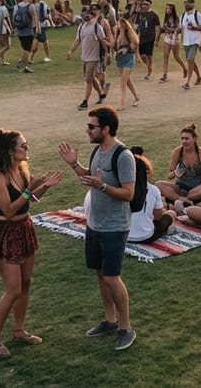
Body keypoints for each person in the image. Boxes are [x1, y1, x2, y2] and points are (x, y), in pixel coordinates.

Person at [58, 106, 138, 351]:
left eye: (91, 126)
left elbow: (128, 194)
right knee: (100, 274)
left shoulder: (123, 156)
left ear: (106, 128)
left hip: (114, 227)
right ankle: (110, 321)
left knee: (112, 277)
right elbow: (90, 179)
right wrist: (75, 165)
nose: (87, 130)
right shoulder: (96, 151)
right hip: (94, 224)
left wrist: (102, 186)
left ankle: (126, 328)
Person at [0, 129, 65, 359]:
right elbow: (9, 210)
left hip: (24, 228)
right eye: (23, 146)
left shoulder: (20, 170)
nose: (27, 149)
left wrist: (45, 186)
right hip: (6, 232)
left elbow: (28, 201)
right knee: (13, 290)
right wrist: (30, 190)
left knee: (26, 283)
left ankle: (19, 331)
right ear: (11, 152)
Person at [155, 124, 201, 207]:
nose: (184, 141)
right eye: (182, 138)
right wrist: (172, 173)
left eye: (187, 138)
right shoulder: (177, 152)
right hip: (180, 187)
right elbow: (171, 173)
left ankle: (180, 200)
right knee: (158, 184)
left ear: (195, 139)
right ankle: (182, 199)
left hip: (197, 188)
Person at [128, 150, 175, 244]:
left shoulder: (120, 190)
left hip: (123, 236)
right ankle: (168, 229)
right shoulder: (152, 190)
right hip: (146, 236)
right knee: (171, 214)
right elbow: (157, 217)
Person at [65, 6, 107, 110]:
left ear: (93, 16)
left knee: (88, 80)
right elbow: (77, 40)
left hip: (94, 58)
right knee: (90, 79)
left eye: (88, 14)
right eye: (85, 14)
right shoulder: (81, 27)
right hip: (84, 57)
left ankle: (85, 102)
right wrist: (70, 51)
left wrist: (107, 55)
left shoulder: (97, 28)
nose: (86, 16)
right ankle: (101, 93)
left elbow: (104, 42)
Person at [112, 14, 141, 110]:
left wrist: (136, 55)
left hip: (128, 58)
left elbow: (136, 42)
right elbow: (114, 45)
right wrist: (115, 33)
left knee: (123, 82)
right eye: (120, 23)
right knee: (127, 81)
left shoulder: (129, 32)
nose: (121, 25)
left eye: (123, 23)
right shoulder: (118, 32)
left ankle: (122, 104)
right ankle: (137, 97)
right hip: (120, 58)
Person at [179, 0, 201, 88]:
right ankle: (199, 77)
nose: (186, 5)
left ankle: (188, 82)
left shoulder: (197, 14)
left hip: (195, 41)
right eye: (185, 3)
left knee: (190, 59)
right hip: (186, 41)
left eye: (187, 3)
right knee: (191, 61)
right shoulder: (183, 15)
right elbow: (180, 28)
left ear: (192, 4)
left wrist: (194, 28)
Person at [158, 2, 185, 82]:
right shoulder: (166, 18)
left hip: (174, 38)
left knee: (176, 56)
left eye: (169, 9)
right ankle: (165, 74)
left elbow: (178, 30)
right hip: (167, 38)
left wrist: (169, 29)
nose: (167, 10)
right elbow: (164, 28)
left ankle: (184, 68)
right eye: (166, 9)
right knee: (165, 55)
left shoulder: (176, 19)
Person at [134, 0, 159, 80]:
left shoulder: (153, 15)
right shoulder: (139, 14)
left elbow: (157, 27)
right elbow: (136, 26)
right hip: (141, 38)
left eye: (146, 5)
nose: (144, 6)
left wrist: (156, 39)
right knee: (142, 55)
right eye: (143, 4)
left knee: (149, 55)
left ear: (150, 5)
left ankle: (149, 72)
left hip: (150, 38)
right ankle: (149, 67)